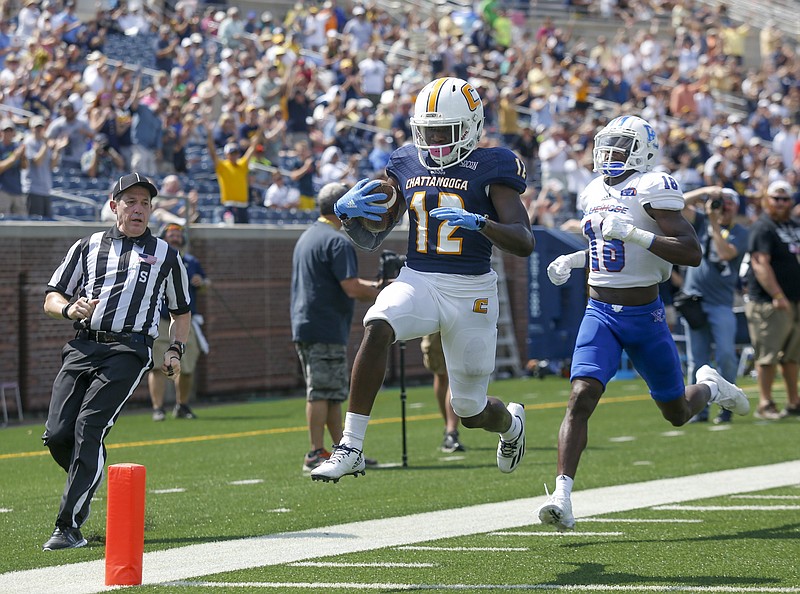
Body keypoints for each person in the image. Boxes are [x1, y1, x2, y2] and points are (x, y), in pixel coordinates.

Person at [310, 76, 534, 482]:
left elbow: (524, 241)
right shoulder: (406, 161)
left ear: (471, 127)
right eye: (426, 131)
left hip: (471, 290)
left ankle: (511, 425)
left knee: (470, 411)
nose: (433, 142)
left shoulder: (494, 165)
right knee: (377, 323)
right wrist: (348, 215)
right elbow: (372, 237)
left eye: (443, 132)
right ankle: (351, 445)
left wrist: (481, 222)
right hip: (421, 278)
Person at [536, 115, 750, 532]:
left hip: (645, 315)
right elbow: (606, 248)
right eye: (606, 145)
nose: (610, 153)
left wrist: (635, 234)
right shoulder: (593, 189)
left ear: (643, 151)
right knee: (580, 395)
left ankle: (710, 386)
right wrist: (574, 259)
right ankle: (561, 496)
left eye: (621, 145)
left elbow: (689, 252)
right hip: (599, 311)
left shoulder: (654, 187)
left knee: (676, 411)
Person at [41, 172, 191, 550]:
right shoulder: (87, 246)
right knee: (58, 434)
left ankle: (68, 526)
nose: (138, 209)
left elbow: (182, 312)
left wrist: (175, 350)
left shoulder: (167, 255)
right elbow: (51, 297)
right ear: (114, 206)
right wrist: (69, 308)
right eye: (130, 202)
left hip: (129, 350)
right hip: (82, 346)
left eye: (145, 203)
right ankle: (90, 476)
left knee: (89, 428)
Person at [291, 182, 381, 472]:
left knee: (331, 392)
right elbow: (352, 287)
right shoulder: (336, 241)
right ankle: (316, 452)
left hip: (309, 323)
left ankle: (343, 451)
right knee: (320, 391)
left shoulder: (308, 236)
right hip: (324, 325)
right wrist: (384, 289)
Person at [681, 186, 749, 424]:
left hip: (721, 303)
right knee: (696, 359)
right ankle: (698, 410)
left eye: (729, 203)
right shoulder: (700, 220)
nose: (724, 207)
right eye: (721, 202)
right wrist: (705, 192)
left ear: (736, 207)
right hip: (695, 300)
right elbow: (676, 204)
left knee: (726, 355)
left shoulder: (740, 232)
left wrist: (712, 221)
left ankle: (726, 405)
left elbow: (725, 253)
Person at [743, 180, 800, 420]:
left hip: (795, 299)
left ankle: (793, 402)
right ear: (767, 200)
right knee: (767, 355)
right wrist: (777, 295)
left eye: (785, 198)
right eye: (776, 198)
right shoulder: (763, 227)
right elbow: (760, 264)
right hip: (770, 302)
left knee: (792, 356)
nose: (781, 203)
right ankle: (765, 403)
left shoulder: (794, 225)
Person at [148, 223, 209, 421]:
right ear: (163, 237)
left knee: (188, 366)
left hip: (184, 319)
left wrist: (202, 282)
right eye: (171, 234)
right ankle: (158, 408)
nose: (175, 237)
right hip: (161, 319)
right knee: (157, 365)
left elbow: (206, 284)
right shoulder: (155, 259)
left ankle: (182, 405)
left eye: (178, 234)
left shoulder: (191, 261)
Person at [206, 123, 261, 223]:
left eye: (235, 153)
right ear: (226, 154)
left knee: (244, 233)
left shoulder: (242, 164)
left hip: (243, 205)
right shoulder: (222, 166)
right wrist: (209, 134)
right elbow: (212, 152)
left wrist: (261, 128)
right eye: (231, 153)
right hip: (229, 205)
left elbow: (253, 147)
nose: (233, 156)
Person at [421, 332, 464, 453]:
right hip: (435, 319)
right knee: (441, 374)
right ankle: (449, 429)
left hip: (460, 316)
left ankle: (451, 431)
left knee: (455, 372)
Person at [0, 119, 28, 216]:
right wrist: (14, 157)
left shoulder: (17, 146)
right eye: (5, 130)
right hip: (3, 191)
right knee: (5, 223)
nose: (8, 133)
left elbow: (24, 167)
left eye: (10, 130)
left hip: (17, 190)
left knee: (22, 222)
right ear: (1, 132)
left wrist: (23, 156)